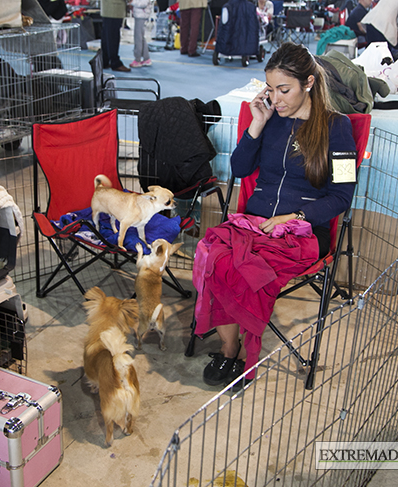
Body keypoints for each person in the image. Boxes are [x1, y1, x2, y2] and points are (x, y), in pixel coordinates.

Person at [193, 42, 357, 388]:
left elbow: (343, 195)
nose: (277, 98)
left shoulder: (337, 128)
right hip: (254, 224)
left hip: (302, 231)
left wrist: (296, 216)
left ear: (309, 83)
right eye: (270, 89)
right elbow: (239, 168)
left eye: (284, 90)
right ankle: (230, 346)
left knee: (246, 270)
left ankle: (238, 354)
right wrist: (257, 124)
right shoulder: (270, 119)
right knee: (214, 256)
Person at [101, 0, 132, 71]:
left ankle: (104, 61)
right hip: (114, 8)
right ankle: (115, 63)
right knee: (113, 37)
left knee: (106, 36)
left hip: (108, 8)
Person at [130, 0, 154, 67]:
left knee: (138, 38)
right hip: (139, 15)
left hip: (141, 16)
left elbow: (143, 4)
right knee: (141, 37)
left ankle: (137, 59)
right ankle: (146, 58)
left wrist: (132, 2)